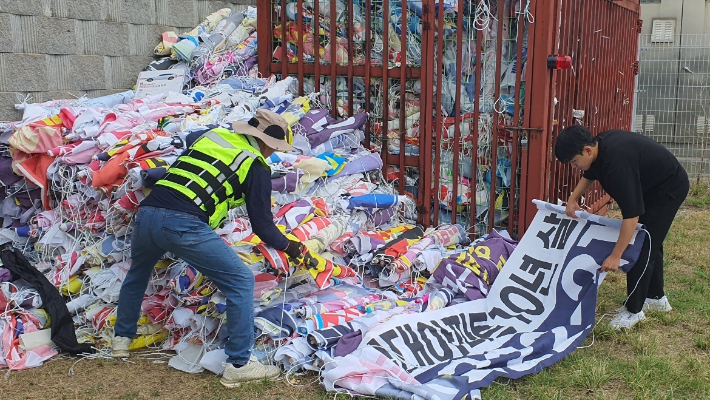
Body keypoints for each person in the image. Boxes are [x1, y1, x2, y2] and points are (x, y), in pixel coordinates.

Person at [111, 110, 305, 387]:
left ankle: (121, 339)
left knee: (137, 274)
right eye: (275, 148)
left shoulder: (212, 136)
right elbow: (262, 226)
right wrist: (291, 247)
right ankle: (239, 363)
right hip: (184, 223)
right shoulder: (256, 165)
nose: (273, 154)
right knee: (240, 280)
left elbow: (191, 154)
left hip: (148, 214)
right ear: (268, 144)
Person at [555, 126, 689, 330]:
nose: (575, 167)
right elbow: (589, 173)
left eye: (574, 162)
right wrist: (572, 199)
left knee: (643, 246)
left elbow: (631, 216)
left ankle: (634, 311)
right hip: (651, 185)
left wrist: (616, 255)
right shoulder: (599, 147)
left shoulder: (618, 165)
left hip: (667, 189)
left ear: (587, 150)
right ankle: (656, 298)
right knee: (651, 240)